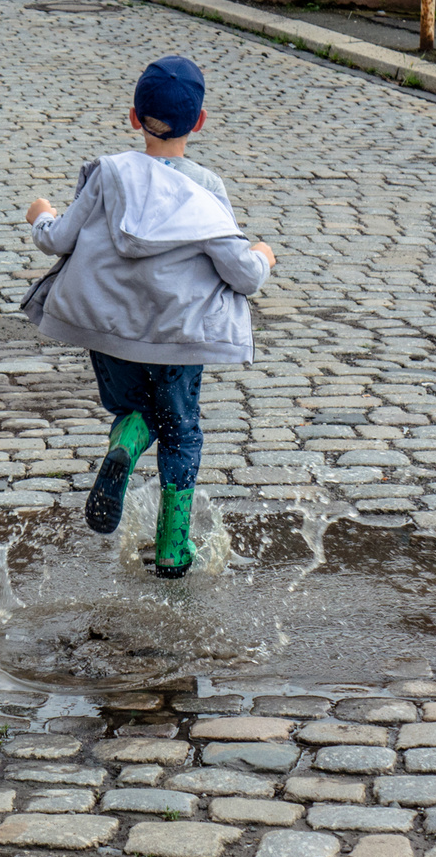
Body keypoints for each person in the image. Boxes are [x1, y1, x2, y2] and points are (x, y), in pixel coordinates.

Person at [20, 55, 276, 578]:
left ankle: (125, 444)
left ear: (135, 117)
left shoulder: (110, 174)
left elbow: (59, 239)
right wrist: (264, 255)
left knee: (135, 409)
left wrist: (39, 213)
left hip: (111, 327)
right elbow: (241, 275)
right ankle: (172, 548)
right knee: (181, 432)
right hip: (178, 335)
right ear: (199, 122)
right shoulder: (206, 187)